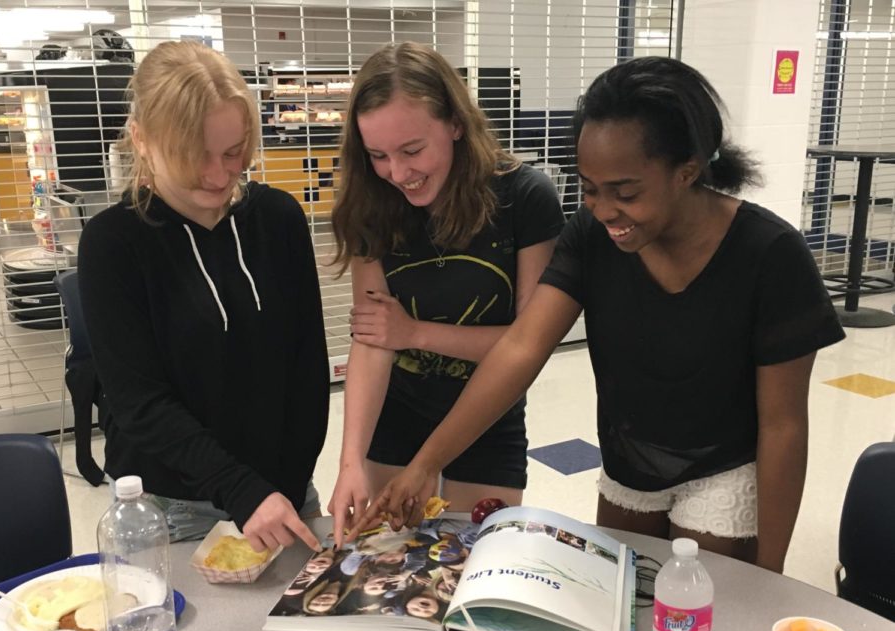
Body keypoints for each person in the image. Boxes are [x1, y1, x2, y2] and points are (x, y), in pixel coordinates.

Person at [354, 56, 846, 572]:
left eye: (626, 192)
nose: (605, 210)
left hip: (724, 470)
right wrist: (424, 466)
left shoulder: (769, 255)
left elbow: (784, 427)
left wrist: (772, 573)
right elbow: (522, 346)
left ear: (688, 171)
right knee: (627, 605)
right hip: (628, 462)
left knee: (703, 611)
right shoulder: (593, 236)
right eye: (589, 189)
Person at [78, 41, 329, 553]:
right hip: (172, 510)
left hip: (282, 497)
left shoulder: (278, 219)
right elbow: (140, 403)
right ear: (141, 140)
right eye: (193, 158)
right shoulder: (113, 243)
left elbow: (307, 366)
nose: (218, 176)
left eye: (233, 152)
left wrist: (284, 484)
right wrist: (241, 489)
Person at [327, 41, 565, 547]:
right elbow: (374, 340)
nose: (398, 173)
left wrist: (414, 333)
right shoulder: (373, 204)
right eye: (378, 156)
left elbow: (527, 345)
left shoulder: (523, 198)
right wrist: (349, 462)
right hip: (396, 418)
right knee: (385, 570)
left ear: (456, 123)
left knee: (473, 570)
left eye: (413, 150)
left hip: (487, 418)